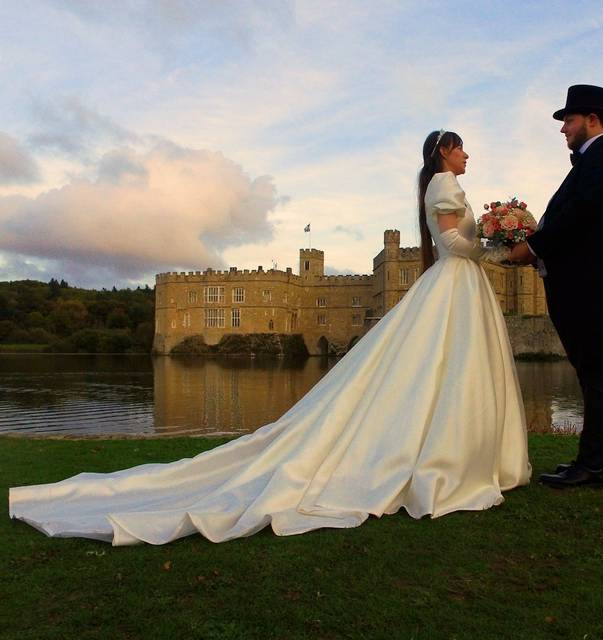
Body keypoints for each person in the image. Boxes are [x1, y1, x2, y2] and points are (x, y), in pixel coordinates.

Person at [9, 130, 531, 545]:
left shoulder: (446, 188)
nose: (468, 156)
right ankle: (445, 461)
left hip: (459, 286)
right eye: (462, 148)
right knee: (449, 369)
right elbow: (451, 243)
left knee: (441, 370)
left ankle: (447, 453)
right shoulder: (443, 185)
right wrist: (493, 242)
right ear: (444, 150)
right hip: (457, 282)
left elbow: (453, 243)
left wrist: (493, 244)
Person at [509, 85, 603, 489]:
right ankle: (596, 459)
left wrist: (532, 247)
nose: (563, 128)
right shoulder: (592, 161)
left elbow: (579, 215)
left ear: (592, 120)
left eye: (568, 120)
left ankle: (595, 464)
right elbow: (568, 215)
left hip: (598, 282)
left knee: (600, 371)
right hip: (588, 282)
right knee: (592, 372)